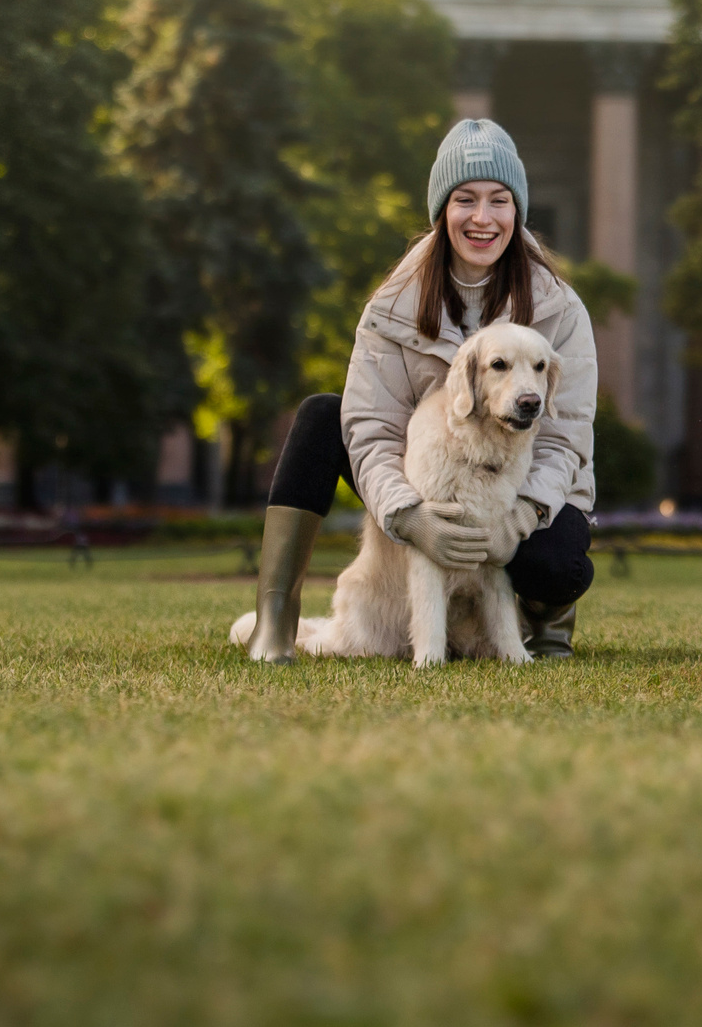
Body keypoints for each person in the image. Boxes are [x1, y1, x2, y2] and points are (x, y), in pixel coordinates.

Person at [246, 119, 599, 663]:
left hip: (518, 489)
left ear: (518, 211)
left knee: (555, 564)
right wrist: (408, 514)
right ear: (442, 211)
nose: (482, 218)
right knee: (322, 414)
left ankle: (544, 625)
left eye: (499, 201)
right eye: (465, 200)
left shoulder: (561, 308)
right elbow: (370, 430)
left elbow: (566, 440)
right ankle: (275, 619)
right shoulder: (390, 307)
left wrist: (518, 521)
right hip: (426, 475)